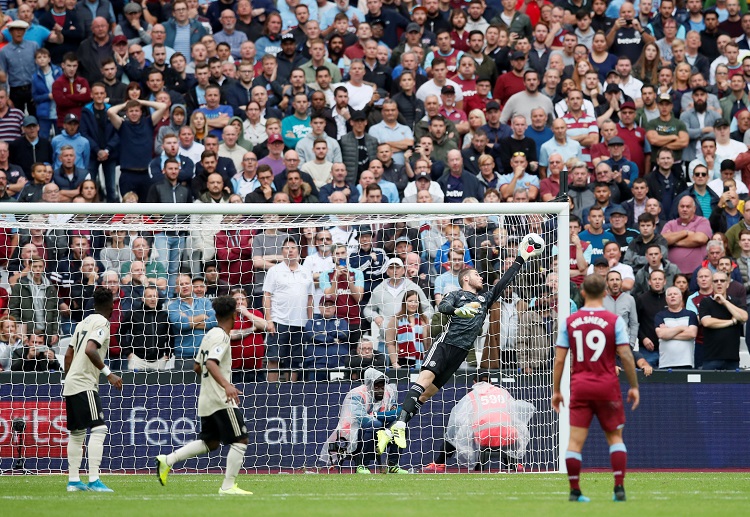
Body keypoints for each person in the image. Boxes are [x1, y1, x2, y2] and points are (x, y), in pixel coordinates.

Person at [375, 234, 544, 455]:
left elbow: (504, 282)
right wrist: (457, 310)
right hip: (445, 345)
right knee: (423, 380)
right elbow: (443, 307)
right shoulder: (455, 294)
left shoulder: (485, 298)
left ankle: (392, 429)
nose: (480, 277)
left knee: (424, 397)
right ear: (465, 279)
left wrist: (521, 258)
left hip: (460, 354)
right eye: (475, 274)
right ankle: (398, 426)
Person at [552, 274, 639, 503]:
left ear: (582, 293)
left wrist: (557, 390)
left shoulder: (569, 322)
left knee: (575, 442)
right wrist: (633, 386)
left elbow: (559, 360)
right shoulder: (614, 321)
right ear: (604, 293)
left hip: (580, 386)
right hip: (607, 386)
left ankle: (574, 491)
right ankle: (618, 488)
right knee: (615, 438)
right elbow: (626, 356)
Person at [155, 296, 253, 495]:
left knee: (211, 442)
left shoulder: (209, 334)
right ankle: (228, 486)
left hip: (207, 398)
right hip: (220, 399)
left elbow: (197, 366)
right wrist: (226, 385)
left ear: (215, 315)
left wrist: (212, 382)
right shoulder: (222, 337)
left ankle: (168, 460)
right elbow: (210, 363)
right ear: (235, 314)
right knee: (240, 440)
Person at [63, 287, 123, 492]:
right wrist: (108, 373)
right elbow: (90, 349)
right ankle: (94, 480)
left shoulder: (82, 322)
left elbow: (68, 355)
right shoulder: (102, 323)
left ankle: (73, 481)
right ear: (112, 306)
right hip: (84, 383)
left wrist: (68, 377)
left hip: (71, 383)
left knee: (77, 433)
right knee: (99, 428)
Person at [423, 371, 536, 473]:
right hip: (508, 438)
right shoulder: (503, 392)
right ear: (491, 382)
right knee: (510, 427)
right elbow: (515, 414)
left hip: (483, 438)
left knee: (454, 433)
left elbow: (458, 420)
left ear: (474, 382)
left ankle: (439, 463)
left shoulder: (472, 395)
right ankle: (514, 463)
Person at [320, 367, 406, 474]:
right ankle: (362, 464)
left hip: (381, 433)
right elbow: (363, 420)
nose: (380, 389)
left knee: (399, 425)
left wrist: (376, 415)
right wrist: (384, 419)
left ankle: (393, 465)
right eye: (377, 386)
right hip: (352, 435)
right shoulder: (356, 395)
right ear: (370, 385)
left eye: (382, 386)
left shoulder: (389, 392)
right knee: (375, 424)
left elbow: (399, 413)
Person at [263, 238, 314, 382]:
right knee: (274, 359)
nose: (290, 250)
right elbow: (267, 295)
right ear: (282, 252)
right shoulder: (274, 271)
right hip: (279, 321)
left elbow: (310, 298)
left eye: (293, 248)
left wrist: (309, 321)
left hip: (300, 323)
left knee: (294, 361)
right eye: (287, 248)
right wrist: (269, 320)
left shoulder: (306, 271)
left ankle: (291, 391)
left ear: (298, 251)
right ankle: (271, 391)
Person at [699, 270, 748, 370]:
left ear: (727, 284)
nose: (719, 283)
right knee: (709, 386)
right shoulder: (705, 302)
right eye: (716, 281)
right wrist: (732, 321)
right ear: (712, 284)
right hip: (711, 358)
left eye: (722, 281)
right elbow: (707, 322)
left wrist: (725, 302)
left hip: (732, 359)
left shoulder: (735, 301)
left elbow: (744, 317)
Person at [654, 286, 699, 369]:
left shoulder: (691, 314)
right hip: (665, 363)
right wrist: (681, 328)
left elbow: (692, 333)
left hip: (686, 362)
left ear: (681, 297)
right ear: (666, 299)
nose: (672, 296)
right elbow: (661, 334)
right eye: (670, 294)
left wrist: (668, 334)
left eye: (675, 294)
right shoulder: (660, 315)